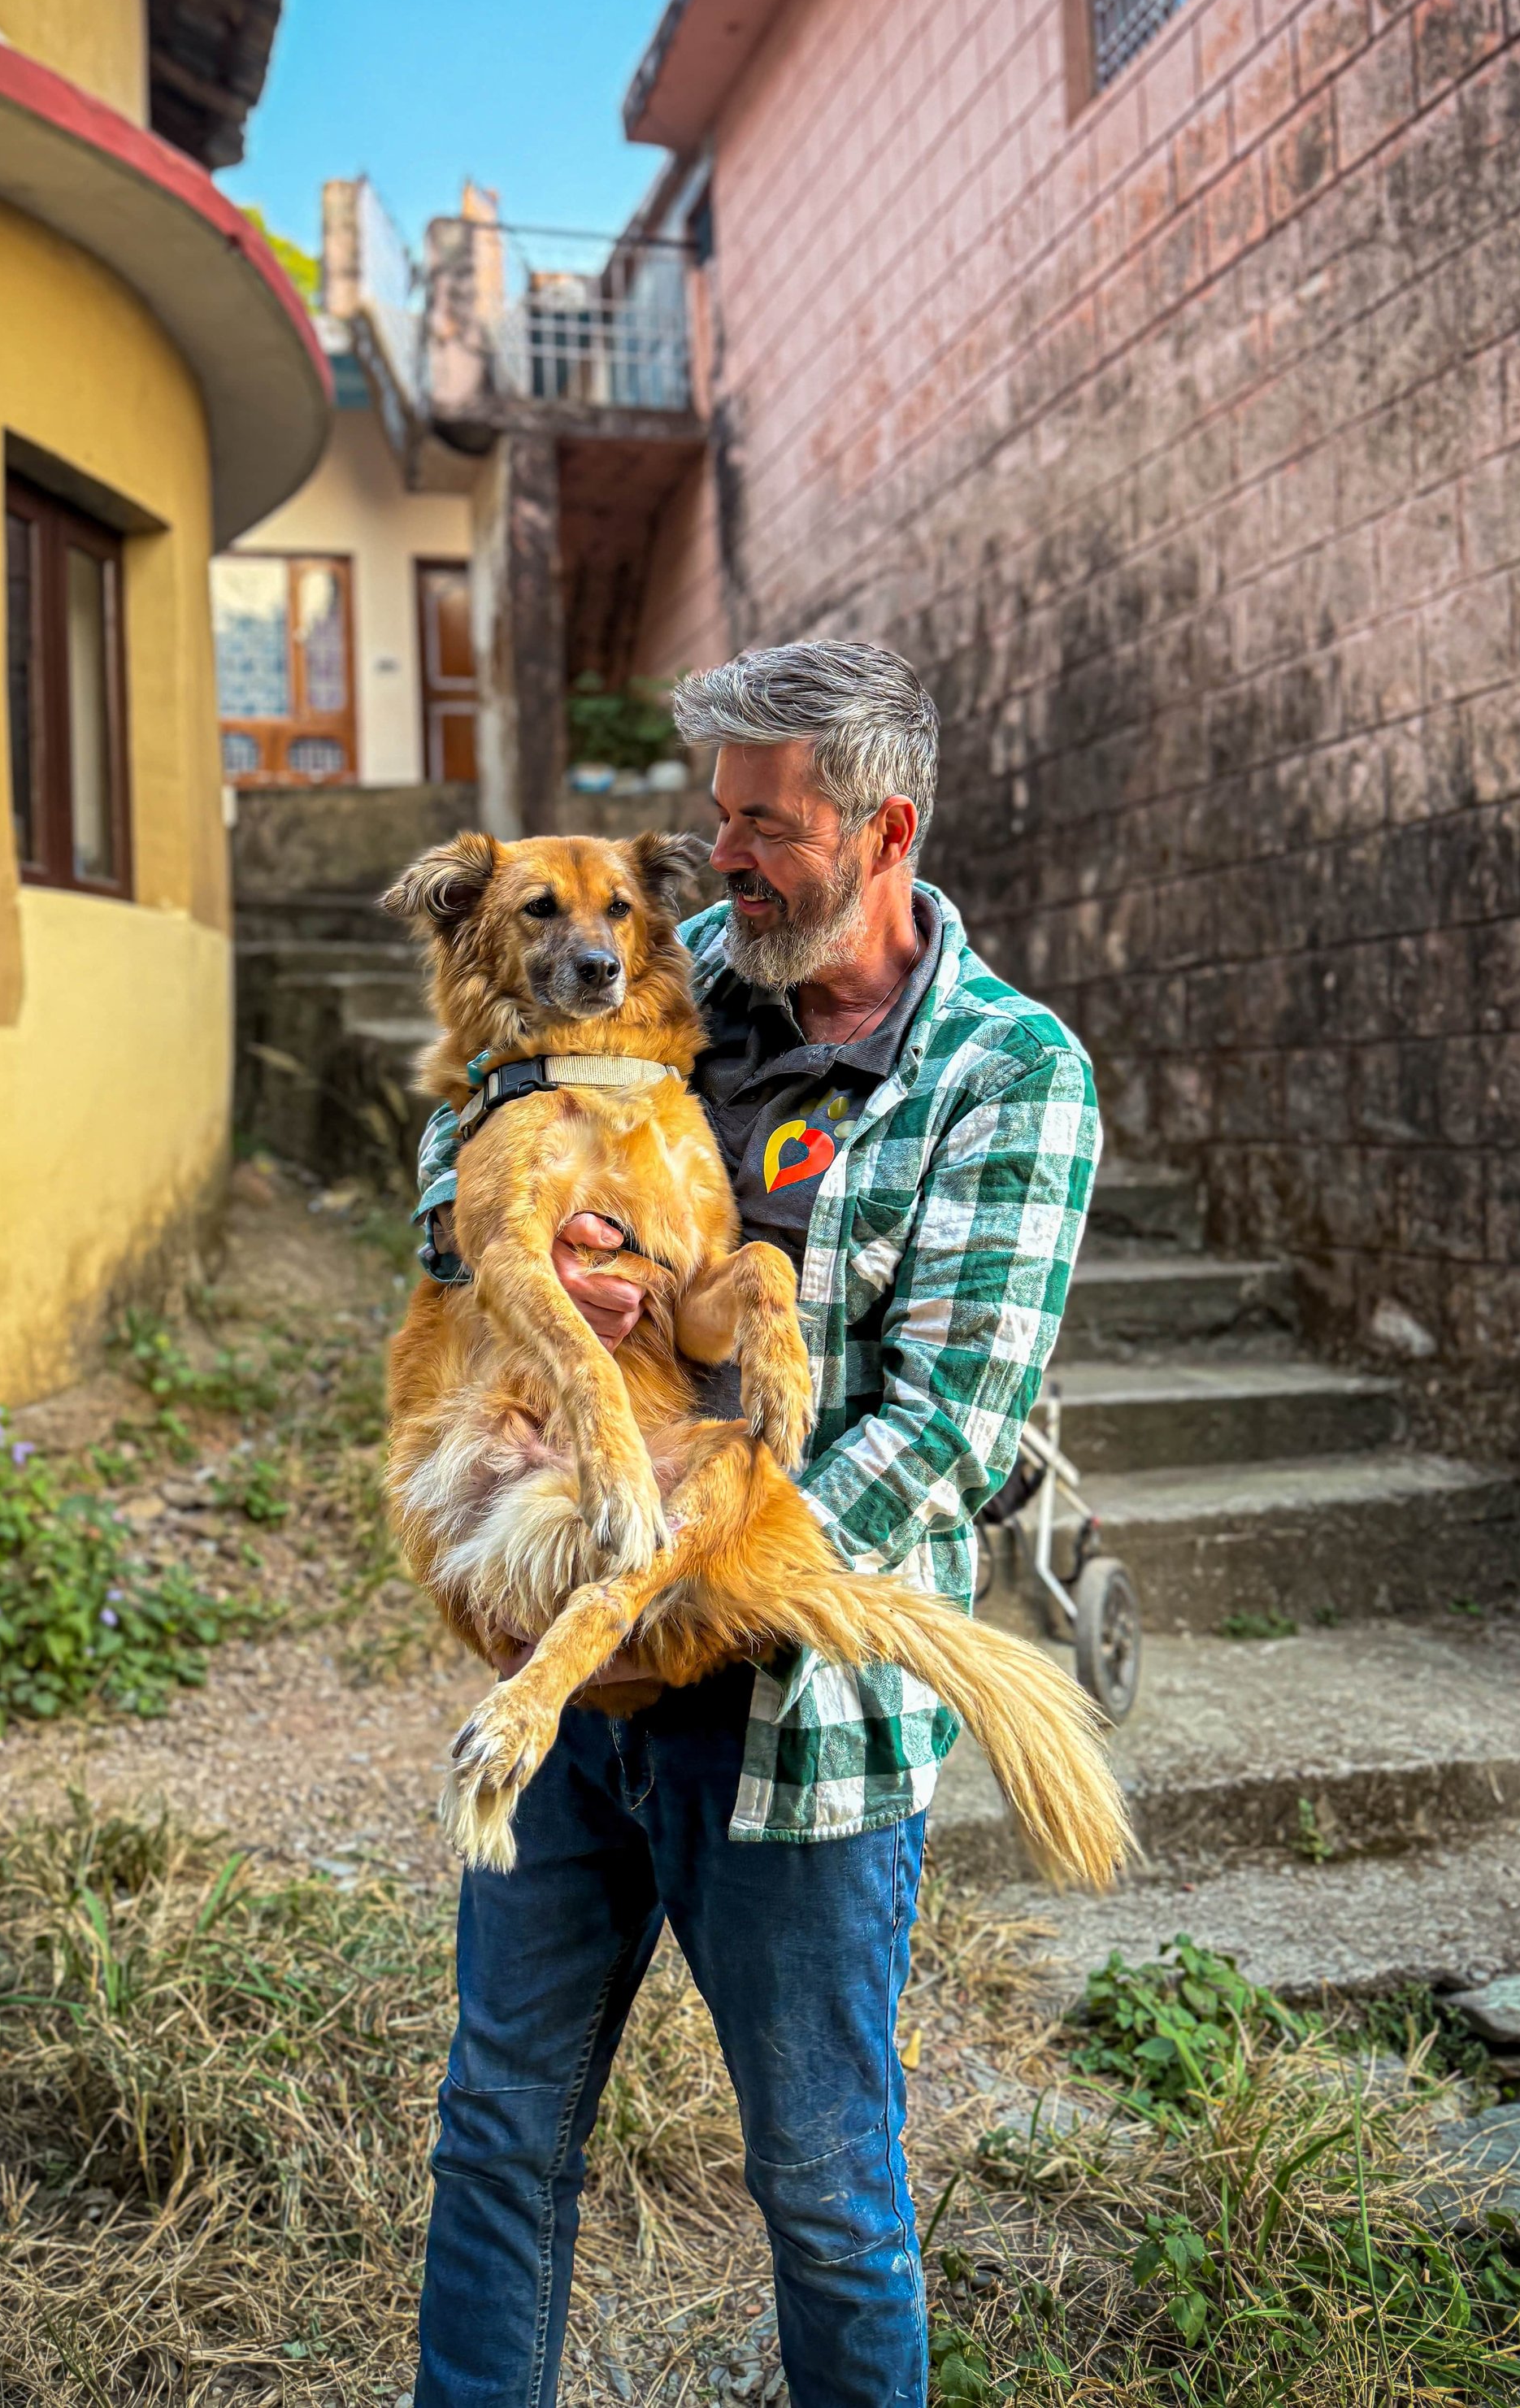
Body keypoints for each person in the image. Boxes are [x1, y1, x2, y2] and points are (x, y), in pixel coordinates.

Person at [407, 640, 1099, 2408]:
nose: (722, 857)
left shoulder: (1005, 1074)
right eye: (715, 816)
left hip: (788, 1707)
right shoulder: (671, 966)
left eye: (766, 825)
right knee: (496, 2126)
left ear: (881, 824)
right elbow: (475, 1119)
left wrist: (671, 1578)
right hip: (570, 1675)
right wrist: (522, 1241)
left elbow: (947, 1423)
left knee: (819, 2181)